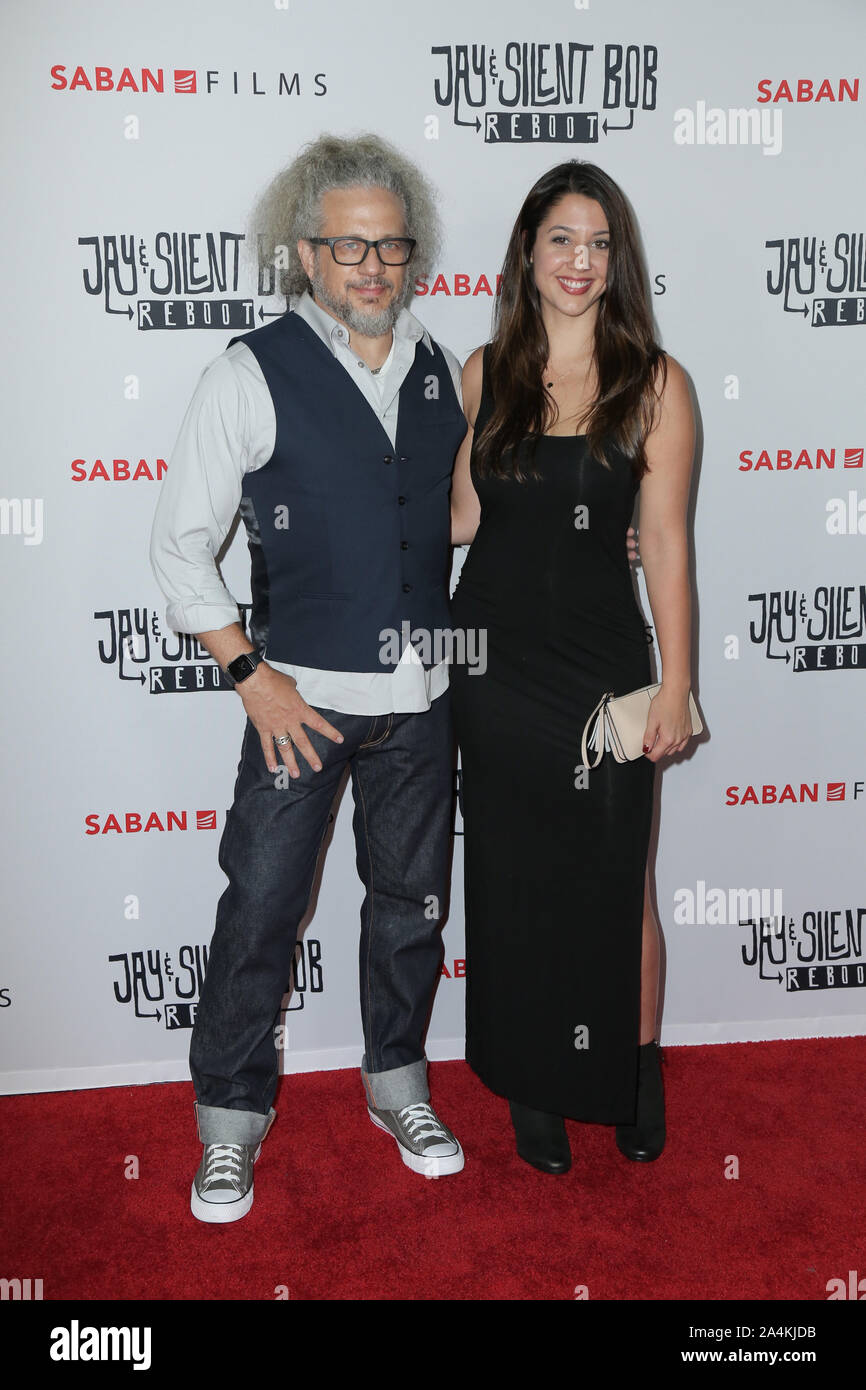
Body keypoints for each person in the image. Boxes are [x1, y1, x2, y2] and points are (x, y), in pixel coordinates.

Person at [149, 133, 470, 1223]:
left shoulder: (438, 366)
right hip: (300, 703)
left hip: (421, 703)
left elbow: (465, 516)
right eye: (348, 247)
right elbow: (178, 546)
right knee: (261, 910)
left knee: (410, 909)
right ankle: (229, 1121)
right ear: (303, 253)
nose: (372, 267)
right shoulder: (250, 369)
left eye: (390, 246)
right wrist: (251, 675)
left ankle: (397, 1086)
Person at [448, 160, 697, 1174]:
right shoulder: (481, 372)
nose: (579, 261)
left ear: (617, 259)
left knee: (617, 885)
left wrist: (675, 682)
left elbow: (667, 544)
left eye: (598, 243)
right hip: (494, 674)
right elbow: (461, 519)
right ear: (526, 251)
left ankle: (633, 1066)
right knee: (513, 886)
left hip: (604, 678)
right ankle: (532, 1078)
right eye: (561, 239)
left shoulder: (654, 383)